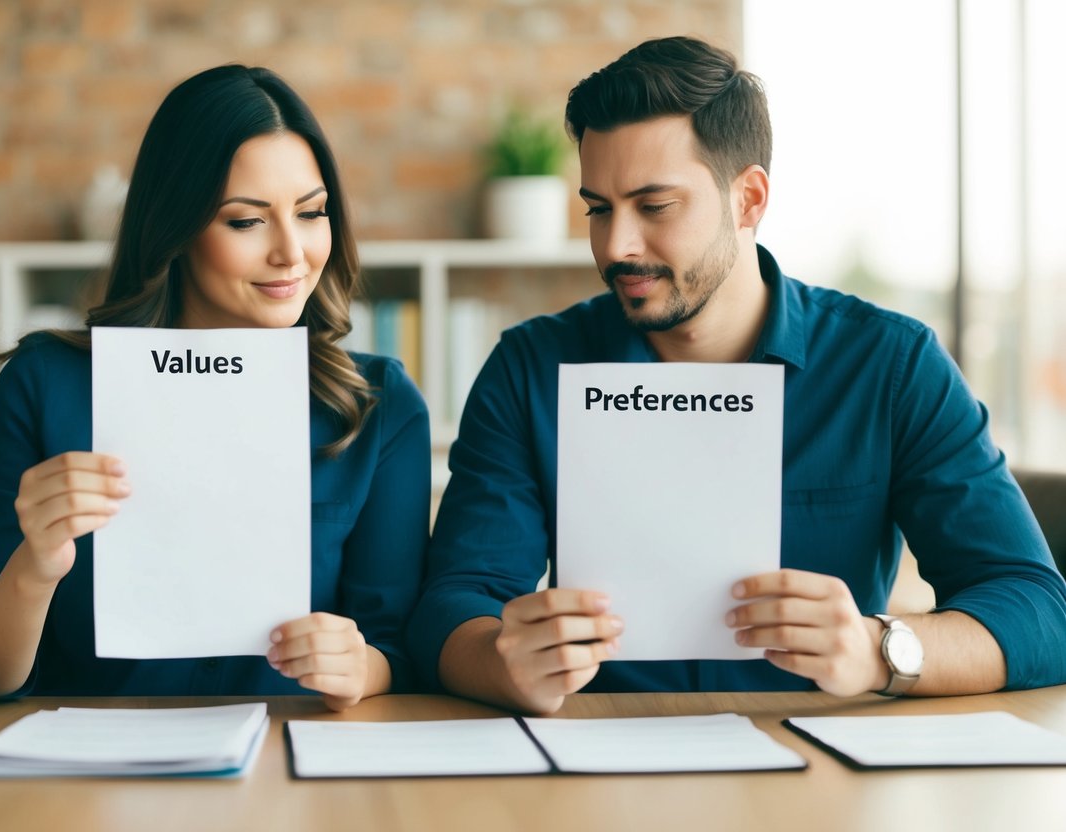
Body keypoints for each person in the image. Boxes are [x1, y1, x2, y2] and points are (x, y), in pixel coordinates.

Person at [407, 36, 1066, 714]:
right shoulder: (531, 368)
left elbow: (1038, 612)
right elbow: (450, 605)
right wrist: (499, 662)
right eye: (598, 208)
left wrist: (877, 649)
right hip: (602, 758)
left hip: (816, 766)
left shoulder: (889, 366)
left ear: (747, 200)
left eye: (653, 206)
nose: (615, 246)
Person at [0, 65, 430, 711]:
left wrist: (363, 668)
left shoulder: (378, 406)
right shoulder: (45, 384)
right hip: (88, 778)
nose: (292, 253)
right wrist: (35, 567)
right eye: (245, 222)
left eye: (311, 213)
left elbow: (405, 650)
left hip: (289, 767)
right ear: (177, 226)